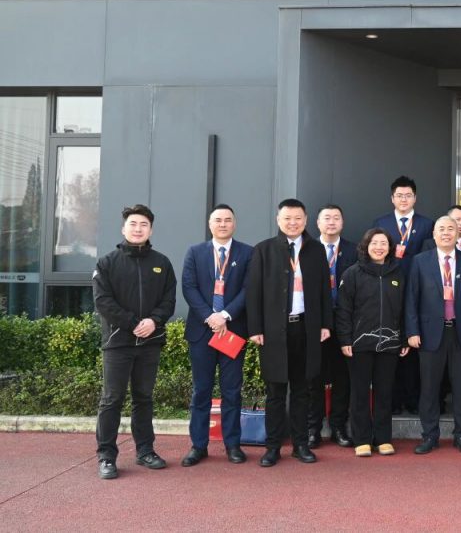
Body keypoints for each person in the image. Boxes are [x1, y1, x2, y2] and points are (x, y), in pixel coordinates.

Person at [93, 204, 177, 480]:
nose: (138, 229)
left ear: (150, 230)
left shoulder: (162, 263)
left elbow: (169, 300)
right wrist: (132, 323)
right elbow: (103, 302)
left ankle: (145, 451)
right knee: (112, 399)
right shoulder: (107, 263)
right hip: (118, 342)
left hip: (150, 342)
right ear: (123, 228)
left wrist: (153, 321)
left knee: (144, 398)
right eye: (133, 224)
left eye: (143, 224)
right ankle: (106, 456)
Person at [247, 199, 332, 467]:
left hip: (306, 328)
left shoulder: (316, 250)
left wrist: (325, 324)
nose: (293, 223)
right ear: (278, 220)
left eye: (297, 218)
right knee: (275, 391)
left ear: (305, 220)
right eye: (287, 218)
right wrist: (255, 328)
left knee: (302, 390)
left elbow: (324, 290)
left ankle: (300, 445)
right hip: (274, 331)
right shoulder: (264, 250)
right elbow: (253, 292)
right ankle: (272, 447)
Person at [181, 204, 253, 467]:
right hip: (202, 331)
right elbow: (188, 287)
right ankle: (198, 445)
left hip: (232, 330)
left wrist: (225, 315)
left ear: (234, 223)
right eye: (218, 220)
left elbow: (248, 288)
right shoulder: (195, 252)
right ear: (210, 224)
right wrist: (210, 316)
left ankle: (232, 444)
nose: (223, 224)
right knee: (201, 390)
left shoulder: (247, 253)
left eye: (227, 220)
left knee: (232, 391)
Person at [406, 216, 461, 454]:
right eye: (441, 229)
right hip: (429, 334)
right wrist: (412, 330)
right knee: (429, 388)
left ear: (458, 233)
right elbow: (411, 298)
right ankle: (429, 435)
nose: (446, 233)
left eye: (450, 229)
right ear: (434, 234)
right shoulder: (420, 261)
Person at [337, 229, 409, 457]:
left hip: (389, 343)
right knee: (359, 393)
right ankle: (361, 439)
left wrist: (404, 337)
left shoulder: (398, 273)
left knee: (384, 392)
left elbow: (405, 308)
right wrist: (345, 339)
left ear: (390, 247)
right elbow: (343, 310)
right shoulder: (352, 273)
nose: (379, 247)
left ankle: (383, 438)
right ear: (366, 246)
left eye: (383, 243)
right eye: (374, 243)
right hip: (359, 343)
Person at [372, 175, 433, 415]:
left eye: (408, 195)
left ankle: (413, 399)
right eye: (399, 195)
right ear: (392, 198)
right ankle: (393, 400)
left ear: (415, 198)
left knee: (414, 346)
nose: (404, 199)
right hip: (388, 290)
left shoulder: (427, 224)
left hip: (418, 290)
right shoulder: (381, 223)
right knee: (390, 344)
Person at [307, 204, 358, 449]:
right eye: (326, 218)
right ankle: (313, 428)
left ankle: (338, 426)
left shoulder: (354, 250)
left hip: (345, 321)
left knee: (342, 377)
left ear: (342, 223)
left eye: (336, 218)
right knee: (313, 376)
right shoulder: (307, 250)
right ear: (317, 223)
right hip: (314, 322)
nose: (331, 222)